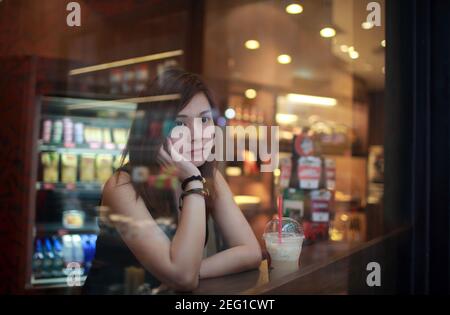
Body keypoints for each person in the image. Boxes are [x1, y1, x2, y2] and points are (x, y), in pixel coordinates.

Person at [83, 67, 262, 294]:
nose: (197, 133)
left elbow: (250, 252)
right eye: (179, 123)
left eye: (204, 119)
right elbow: (183, 278)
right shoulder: (122, 186)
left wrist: (196, 270)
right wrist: (193, 182)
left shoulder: (210, 177)